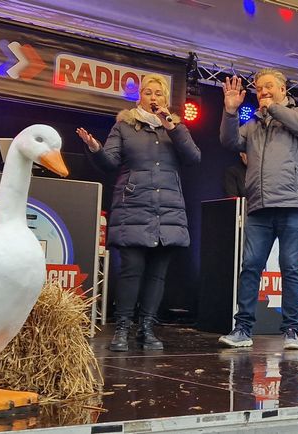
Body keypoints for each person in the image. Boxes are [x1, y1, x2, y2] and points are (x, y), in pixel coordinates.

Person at [77, 73, 200, 352]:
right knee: (131, 270)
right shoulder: (125, 126)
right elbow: (109, 162)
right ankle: (122, 329)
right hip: (133, 207)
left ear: (165, 99)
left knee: (157, 274)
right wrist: (95, 148)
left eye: (158, 93)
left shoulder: (175, 128)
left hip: (167, 211)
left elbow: (194, 158)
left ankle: (147, 328)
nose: (153, 97)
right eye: (148, 92)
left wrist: (174, 127)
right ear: (139, 96)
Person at [218, 69, 298, 350]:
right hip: (260, 206)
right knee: (250, 267)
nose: (262, 91)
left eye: (269, 86)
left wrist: (274, 108)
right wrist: (229, 112)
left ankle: (291, 330)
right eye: (259, 88)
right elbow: (229, 142)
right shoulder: (252, 126)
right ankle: (242, 329)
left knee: (290, 268)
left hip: (294, 205)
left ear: (283, 89)